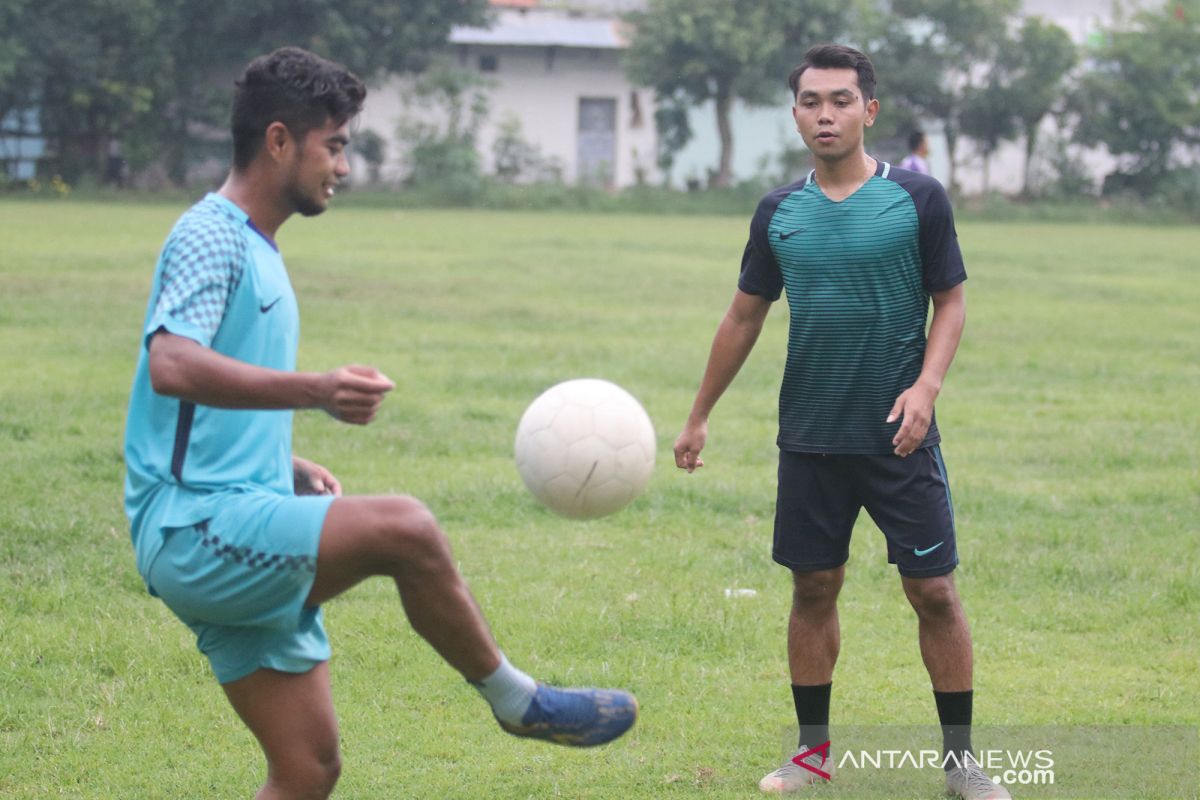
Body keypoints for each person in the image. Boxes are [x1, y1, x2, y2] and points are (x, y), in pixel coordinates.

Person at [123, 47, 636, 799]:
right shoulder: (213, 236)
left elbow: (190, 402)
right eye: (334, 145)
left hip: (234, 510)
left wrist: (281, 462)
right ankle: (516, 700)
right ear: (278, 141)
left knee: (307, 771)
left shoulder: (256, 248)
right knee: (406, 529)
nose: (345, 166)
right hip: (196, 532)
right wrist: (316, 390)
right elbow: (172, 364)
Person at [672, 44, 1008, 800]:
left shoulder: (917, 200)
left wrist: (927, 386)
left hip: (900, 435)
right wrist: (698, 416)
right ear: (795, 114)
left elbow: (950, 298)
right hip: (811, 437)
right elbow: (743, 316)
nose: (826, 114)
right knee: (814, 589)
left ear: (869, 111)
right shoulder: (777, 213)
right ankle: (812, 755)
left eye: (841, 101)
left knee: (935, 594)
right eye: (812, 102)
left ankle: (962, 765)